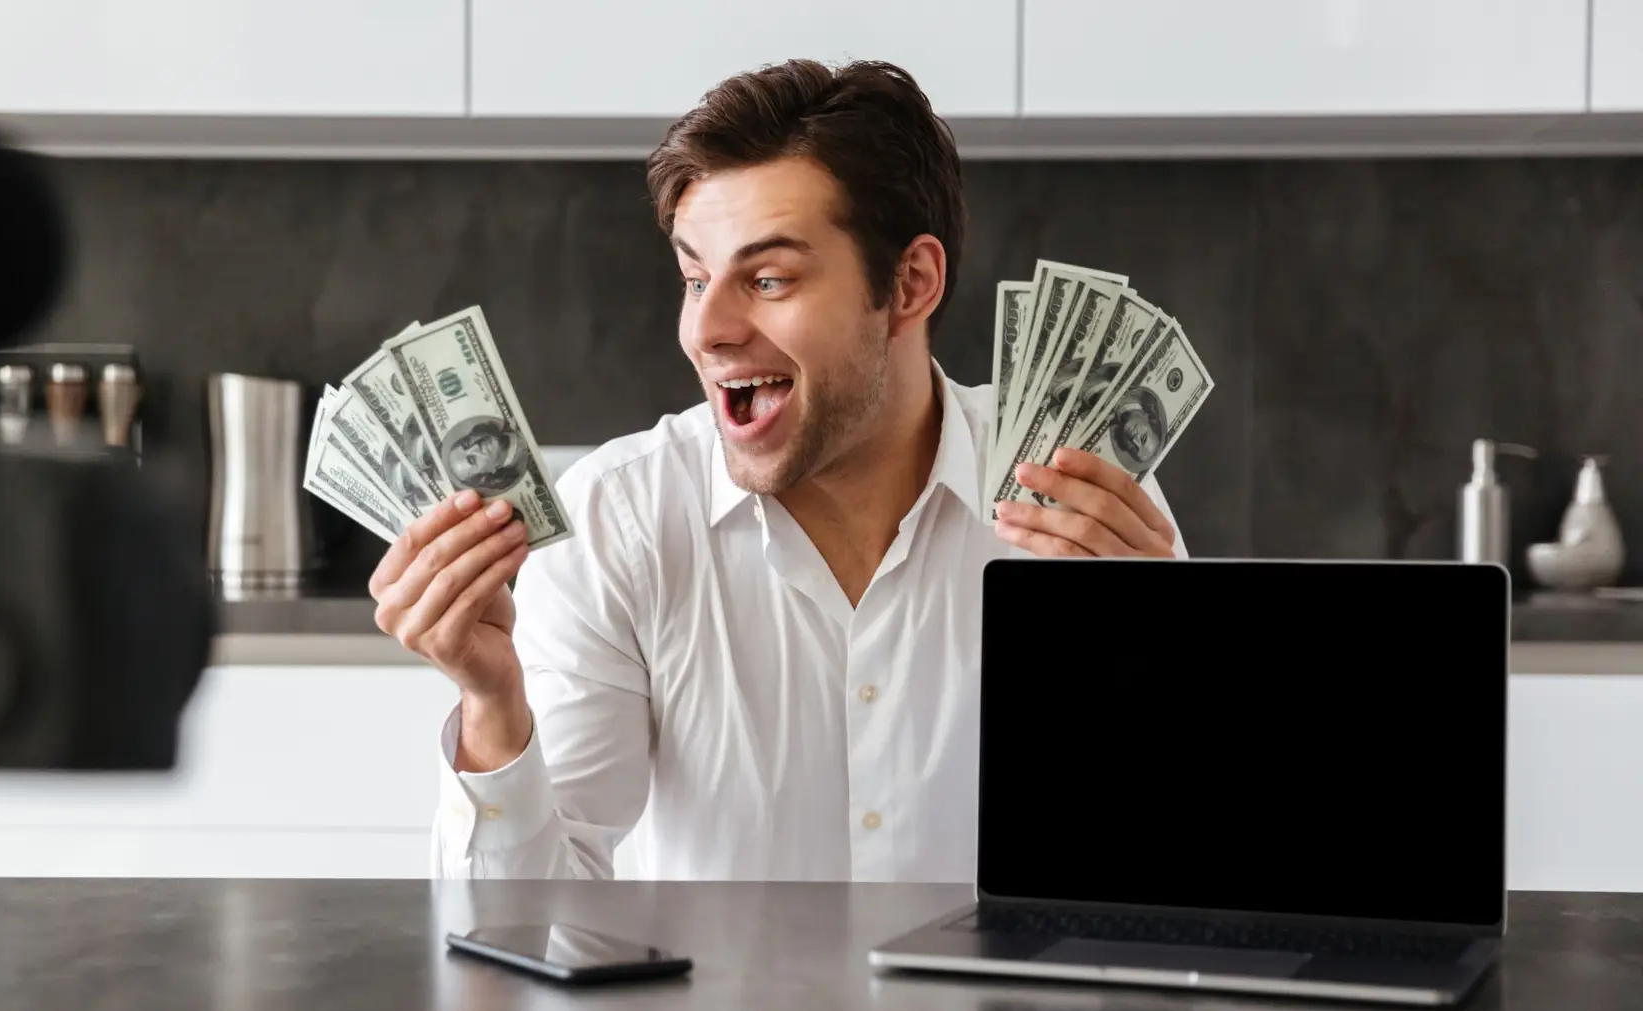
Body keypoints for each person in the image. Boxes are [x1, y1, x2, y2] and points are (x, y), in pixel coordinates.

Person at [371, 59, 1187, 882]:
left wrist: (1181, 669)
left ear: (910, 283)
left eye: (767, 279)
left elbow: (1164, 894)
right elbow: (525, 936)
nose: (708, 330)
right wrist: (491, 706)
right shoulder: (620, 521)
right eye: (695, 278)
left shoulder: (1082, 506)